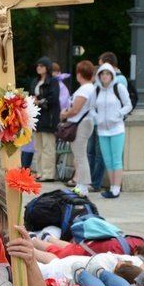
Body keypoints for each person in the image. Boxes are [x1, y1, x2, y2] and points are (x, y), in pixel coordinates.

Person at [94, 62, 132, 199]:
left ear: (112, 75)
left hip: (116, 128)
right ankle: (111, 186)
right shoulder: (97, 90)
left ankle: (116, 188)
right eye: (102, 74)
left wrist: (117, 115)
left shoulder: (118, 87)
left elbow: (128, 104)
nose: (105, 76)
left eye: (107, 74)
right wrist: (97, 118)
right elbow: (92, 108)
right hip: (102, 130)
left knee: (116, 159)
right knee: (107, 159)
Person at [59, 61, 96, 195]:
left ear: (79, 74)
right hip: (84, 123)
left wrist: (65, 113)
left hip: (80, 124)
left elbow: (76, 110)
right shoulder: (89, 88)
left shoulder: (85, 89)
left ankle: (83, 185)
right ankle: (81, 183)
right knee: (80, 155)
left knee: (80, 156)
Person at [31, 57, 60, 182]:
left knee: (48, 146)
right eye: (38, 66)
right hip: (37, 117)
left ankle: (48, 173)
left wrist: (39, 101)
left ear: (47, 68)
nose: (39, 68)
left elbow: (53, 98)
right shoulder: (35, 81)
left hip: (49, 117)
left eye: (42, 66)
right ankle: (40, 171)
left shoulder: (53, 81)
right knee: (38, 147)